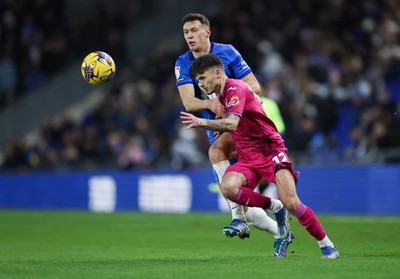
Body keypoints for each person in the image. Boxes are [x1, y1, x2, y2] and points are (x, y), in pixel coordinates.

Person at [180, 53, 339, 259]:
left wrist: (202, 122)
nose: (200, 84)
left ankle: (326, 244)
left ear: (218, 73)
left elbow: (232, 124)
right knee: (228, 188)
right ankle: (275, 207)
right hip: (247, 155)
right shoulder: (219, 96)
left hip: (270, 151)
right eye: (198, 79)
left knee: (292, 202)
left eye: (202, 78)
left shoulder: (235, 88)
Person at [175, 13, 280, 241]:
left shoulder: (228, 52)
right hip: (216, 131)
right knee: (237, 199)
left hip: (239, 125)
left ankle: (241, 220)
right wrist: (210, 103)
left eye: (194, 30)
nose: (190, 36)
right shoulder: (182, 63)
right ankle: (279, 229)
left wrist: (226, 99)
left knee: (221, 164)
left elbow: (255, 85)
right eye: (186, 32)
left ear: (207, 32)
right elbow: (189, 102)